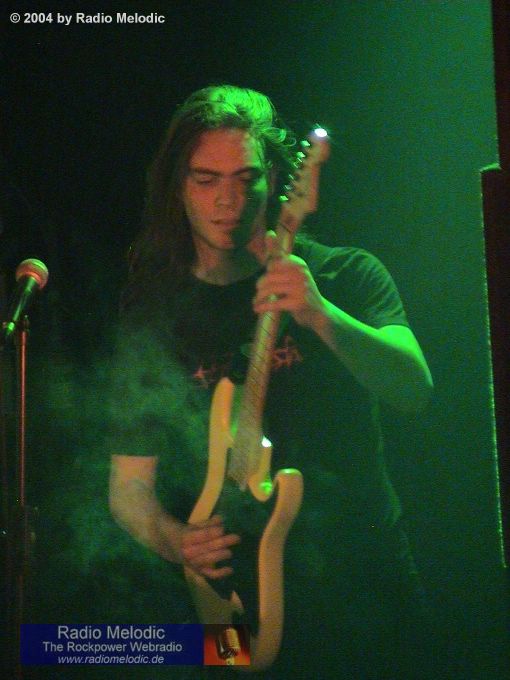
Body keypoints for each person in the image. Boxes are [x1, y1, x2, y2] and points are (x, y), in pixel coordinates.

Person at [108, 84, 434, 679]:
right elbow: (129, 488)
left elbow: (415, 389)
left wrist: (321, 314)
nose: (227, 199)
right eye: (205, 179)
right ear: (178, 186)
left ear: (277, 181)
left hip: (364, 588)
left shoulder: (345, 274)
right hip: (229, 604)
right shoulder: (154, 313)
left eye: (246, 178)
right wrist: (177, 541)